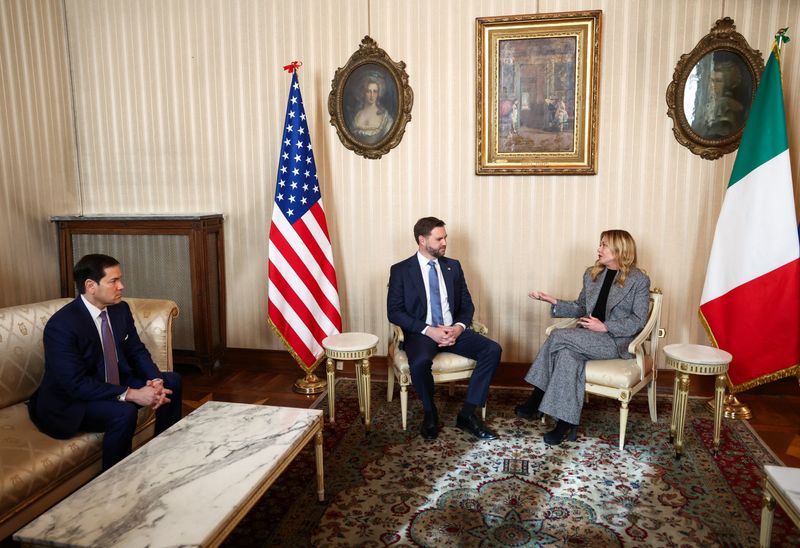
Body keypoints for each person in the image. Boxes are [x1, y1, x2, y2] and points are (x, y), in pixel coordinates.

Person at [28, 254, 182, 470]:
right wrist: (131, 393)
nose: (122, 286)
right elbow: (75, 384)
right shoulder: (62, 325)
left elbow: (136, 350)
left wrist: (155, 380)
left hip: (112, 380)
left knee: (171, 381)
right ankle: (115, 481)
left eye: (120, 279)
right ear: (90, 285)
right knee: (124, 412)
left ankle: (166, 455)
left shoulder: (120, 309)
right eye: (113, 281)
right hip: (73, 400)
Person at [515, 230, 650, 446]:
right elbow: (581, 307)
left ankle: (536, 398)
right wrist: (553, 301)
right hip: (586, 337)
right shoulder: (592, 274)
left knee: (558, 336)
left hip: (615, 341)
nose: (599, 249)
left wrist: (605, 326)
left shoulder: (639, 280)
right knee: (567, 355)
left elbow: (638, 320)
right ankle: (565, 423)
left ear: (619, 250)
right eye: (600, 244)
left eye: (604, 245)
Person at [387, 217, 502, 441]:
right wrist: (429, 330)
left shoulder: (453, 266)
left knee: (492, 350)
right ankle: (430, 414)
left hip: (453, 330)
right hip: (422, 333)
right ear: (422, 240)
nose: (444, 243)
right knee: (419, 362)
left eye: (445, 238)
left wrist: (458, 328)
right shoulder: (401, 270)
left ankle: (467, 415)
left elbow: (467, 304)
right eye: (439, 239)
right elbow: (395, 312)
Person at [350, 76, 394, 144]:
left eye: (375, 91)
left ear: (378, 94)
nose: (372, 95)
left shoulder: (385, 117)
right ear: (363, 93)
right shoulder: (357, 115)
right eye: (368, 91)